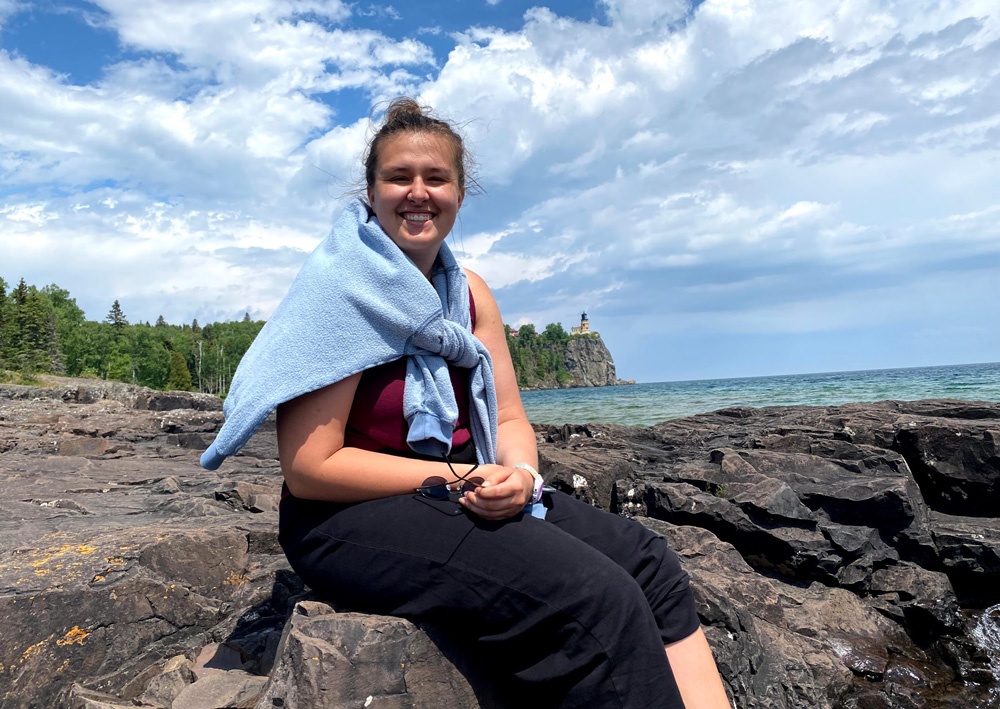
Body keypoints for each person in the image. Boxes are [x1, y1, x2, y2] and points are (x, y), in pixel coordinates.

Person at [210, 97, 729, 707]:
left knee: (649, 563)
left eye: (436, 178)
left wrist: (522, 475)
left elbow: (508, 416)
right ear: (371, 190)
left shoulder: (469, 293)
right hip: (346, 518)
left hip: (461, 489)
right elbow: (310, 468)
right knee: (593, 597)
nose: (418, 192)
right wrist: (467, 476)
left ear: (460, 191)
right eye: (399, 177)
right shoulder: (339, 291)